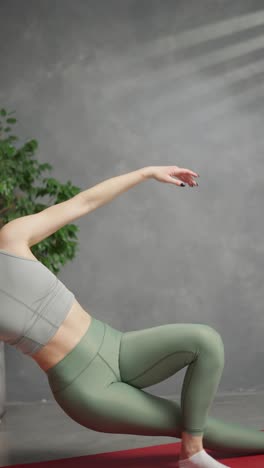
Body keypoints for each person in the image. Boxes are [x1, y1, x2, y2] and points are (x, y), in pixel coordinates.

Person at [0, 165, 264, 468]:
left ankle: (193, 452)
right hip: (86, 389)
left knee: (205, 341)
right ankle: (192, 454)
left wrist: (147, 173)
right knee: (189, 423)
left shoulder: (11, 238)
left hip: (116, 347)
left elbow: (83, 202)